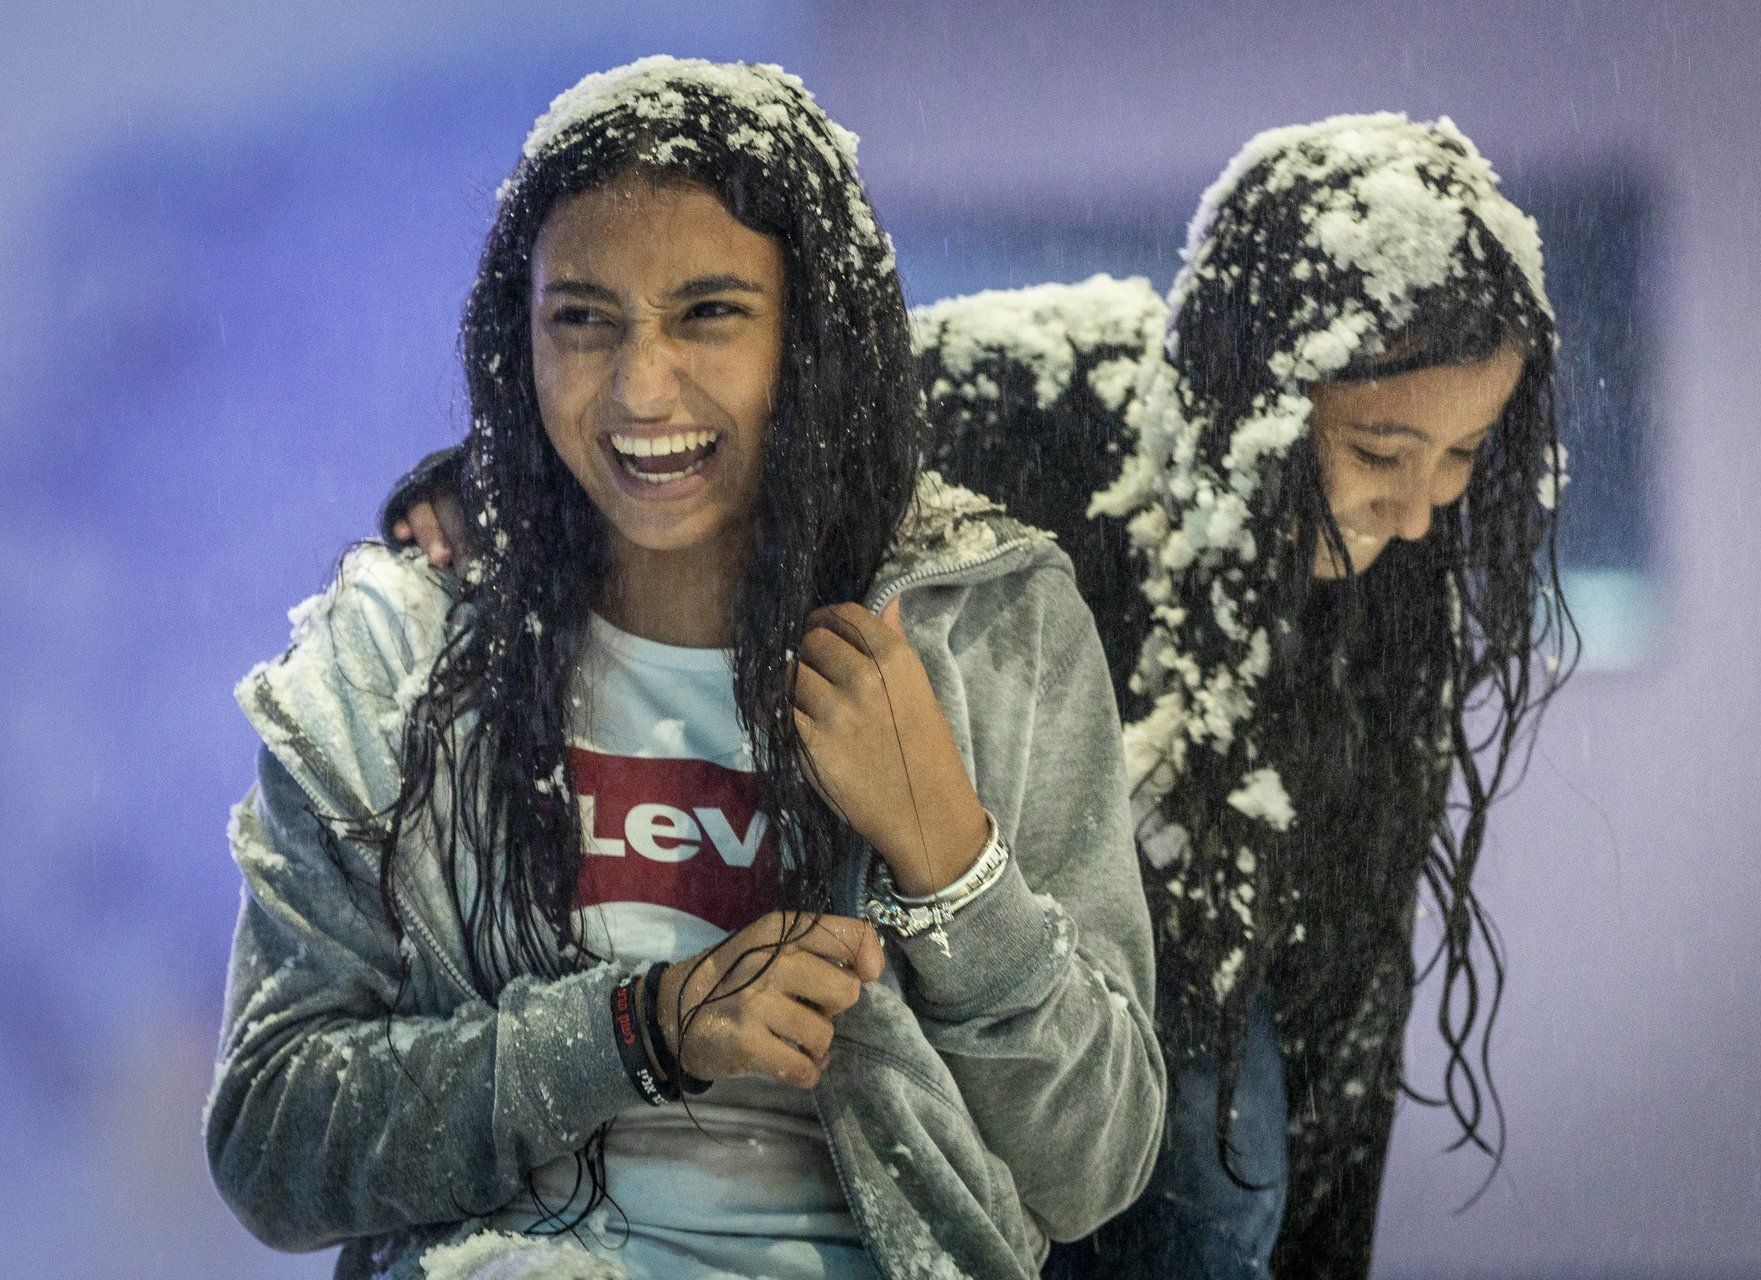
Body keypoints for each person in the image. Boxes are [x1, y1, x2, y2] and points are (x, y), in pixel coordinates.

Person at [387, 112, 1575, 1277]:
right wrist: (495, 489)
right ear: (1252, 396)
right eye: (1379, 452)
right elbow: (738, 420)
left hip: (1126, 996)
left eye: (1466, 455)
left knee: (1230, 1169)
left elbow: (1347, 1025)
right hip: (908, 945)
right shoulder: (1023, 393)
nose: (1421, 508)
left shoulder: (1397, 604)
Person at [208, 56, 1163, 1280]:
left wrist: (954, 865)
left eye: (709, 311)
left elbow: (1096, 1166)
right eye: (584, 319)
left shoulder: (985, 622)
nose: (642, 386)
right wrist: (641, 1029)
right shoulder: (400, 646)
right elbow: (273, 1141)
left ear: (812, 338)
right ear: (521, 343)